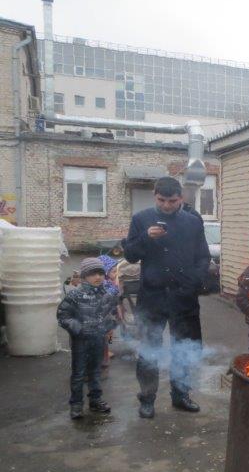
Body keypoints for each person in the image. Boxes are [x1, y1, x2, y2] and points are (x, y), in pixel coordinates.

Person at [122, 176, 210, 419]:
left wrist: (195, 280)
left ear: (181, 198)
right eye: (162, 200)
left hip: (184, 298)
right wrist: (145, 238)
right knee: (149, 350)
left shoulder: (193, 222)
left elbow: (203, 257)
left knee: (184, 349)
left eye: (172, 201)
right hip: (152, 297)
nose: (167, 206)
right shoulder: (141, 220)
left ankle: (181, 395)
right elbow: (129, 255)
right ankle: (147, 398)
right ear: (155, 196)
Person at [57, 257, 118, 419]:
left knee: (95, 371)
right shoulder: (75, 295)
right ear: (84, 276)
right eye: (92, 274)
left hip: (99, 340)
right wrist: (78, 328)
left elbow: (112, 314)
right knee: (78, 373)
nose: (97, 277)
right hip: (80, 341)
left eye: (100, 273)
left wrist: (110, 325)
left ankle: (95, 400)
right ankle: (76, 404)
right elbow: (63, 315)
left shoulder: (106, 295)